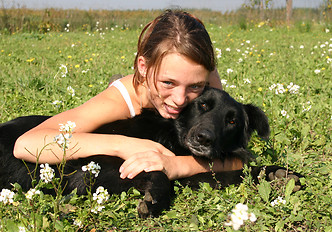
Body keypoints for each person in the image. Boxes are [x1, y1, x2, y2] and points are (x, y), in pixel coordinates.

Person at [13, 10, 243, 181]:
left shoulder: (208, 82)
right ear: (143, 67)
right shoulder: (119, 101)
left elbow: (236, 159)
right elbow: (26, 144)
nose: (180, 99)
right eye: (168, 82)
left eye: (195, 86)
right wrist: (121, 145)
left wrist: (178, 166)